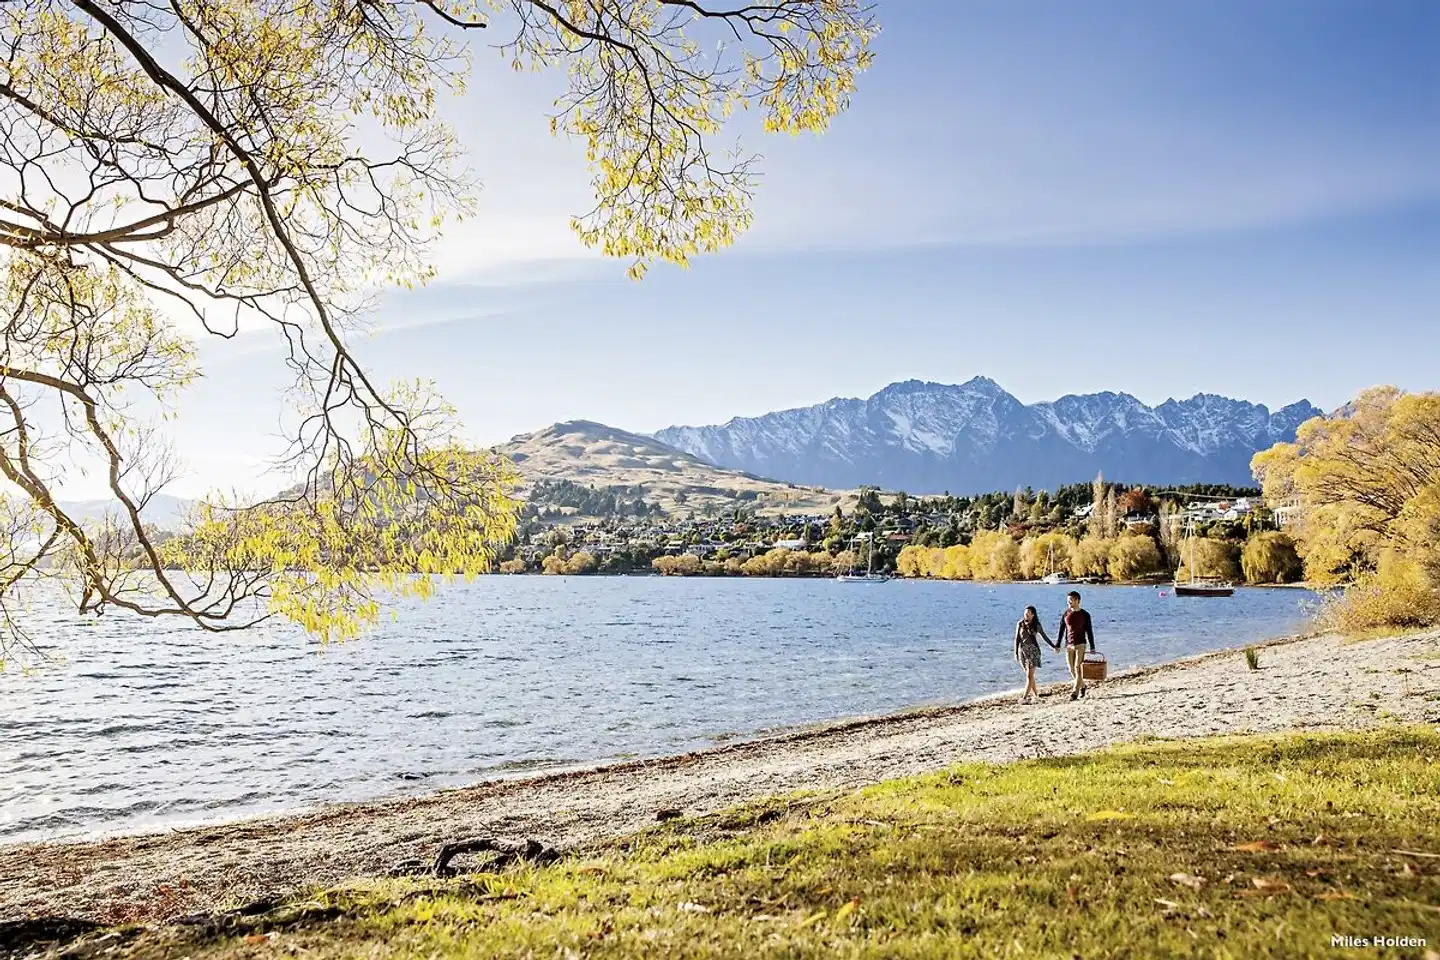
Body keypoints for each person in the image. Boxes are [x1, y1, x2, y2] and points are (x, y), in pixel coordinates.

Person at [1013, 605, 1057, 704]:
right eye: (1025, 614)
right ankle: (1036, 696)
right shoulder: (1020, 624)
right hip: (1023, 652)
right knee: (1030, 676)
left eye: (1028, 614)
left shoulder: (1036, 625)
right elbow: (1017, 639)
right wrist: (1015, 652)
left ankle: (1024, 698)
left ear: (1033, 615)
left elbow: (1044, 636)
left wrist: (1053, 646)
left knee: (1029, 676)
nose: (1026, 616)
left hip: (1033, 651)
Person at [1056, 590, 1096, 700]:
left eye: (1071, 600)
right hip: (1069, 645)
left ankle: (1075, 692)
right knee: (1071, 669)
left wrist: (1092, 646)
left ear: (1077, 600)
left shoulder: (1085, 615)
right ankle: (1082, 686)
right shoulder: (1066, 614)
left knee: (1078, 668)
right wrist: (1057, 644)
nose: (1069, 602)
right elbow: (1061, 629)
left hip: (1081, 644)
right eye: (1068, 600)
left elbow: (1089, 631)